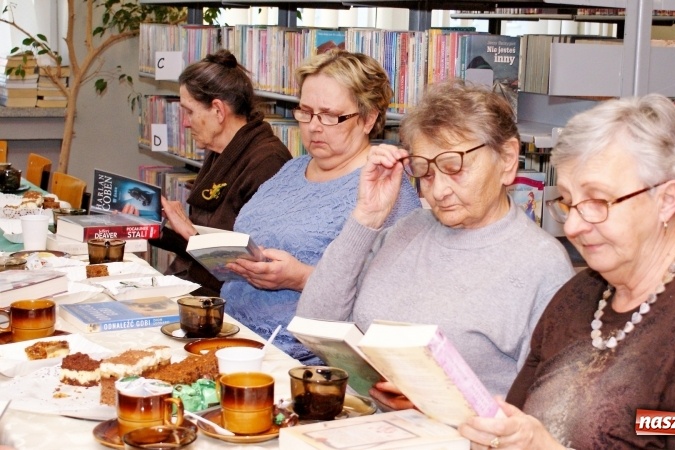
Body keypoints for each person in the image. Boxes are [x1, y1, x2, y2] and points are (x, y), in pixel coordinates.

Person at [458, 94, 675, 450]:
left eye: (598, 202)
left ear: (664, 200)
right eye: (569, 202)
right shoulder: (580, 295)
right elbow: (519, 416)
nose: (572, 226)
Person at [297, 79, 574, 406]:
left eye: (454, 167)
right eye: (425, 172)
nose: (438, 190)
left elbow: (544, 413)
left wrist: (432, 402)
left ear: (508, 159)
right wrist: (366, 217)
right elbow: (314, 325)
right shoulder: (406, 230)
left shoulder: (542, 266)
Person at [221, 50, 421, 361]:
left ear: (368, 119)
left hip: (302, 360)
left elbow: (392, 300)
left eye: (330, 116)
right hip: (232, 338)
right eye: (305, 112)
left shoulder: (386, 187)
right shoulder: (292, 169)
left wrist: (300, 277)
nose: (314, 126)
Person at [143, 49, 292, 297]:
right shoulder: (220, 149)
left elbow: (252, 264)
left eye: (189, 111)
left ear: (218, 110)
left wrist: (188, 233)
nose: (185, 122)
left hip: (225, 299)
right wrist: (152, 228)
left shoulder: (267, 163)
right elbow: (199, 239)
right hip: (191, 283)